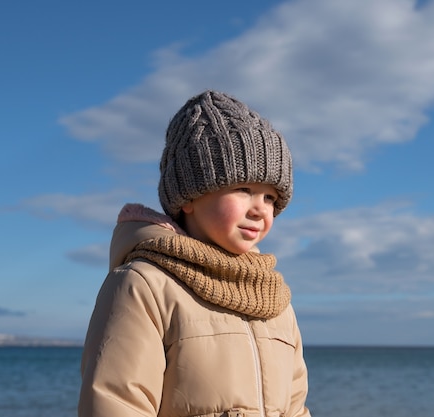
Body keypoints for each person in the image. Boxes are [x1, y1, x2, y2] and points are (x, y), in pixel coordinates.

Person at [78, 90, 311, 417]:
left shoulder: (274, 301)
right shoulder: (144, 287)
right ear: (189, 197)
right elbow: (115, 404)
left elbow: (296, 409)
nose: (260, 209)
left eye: (271, 197)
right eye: (243, 189)